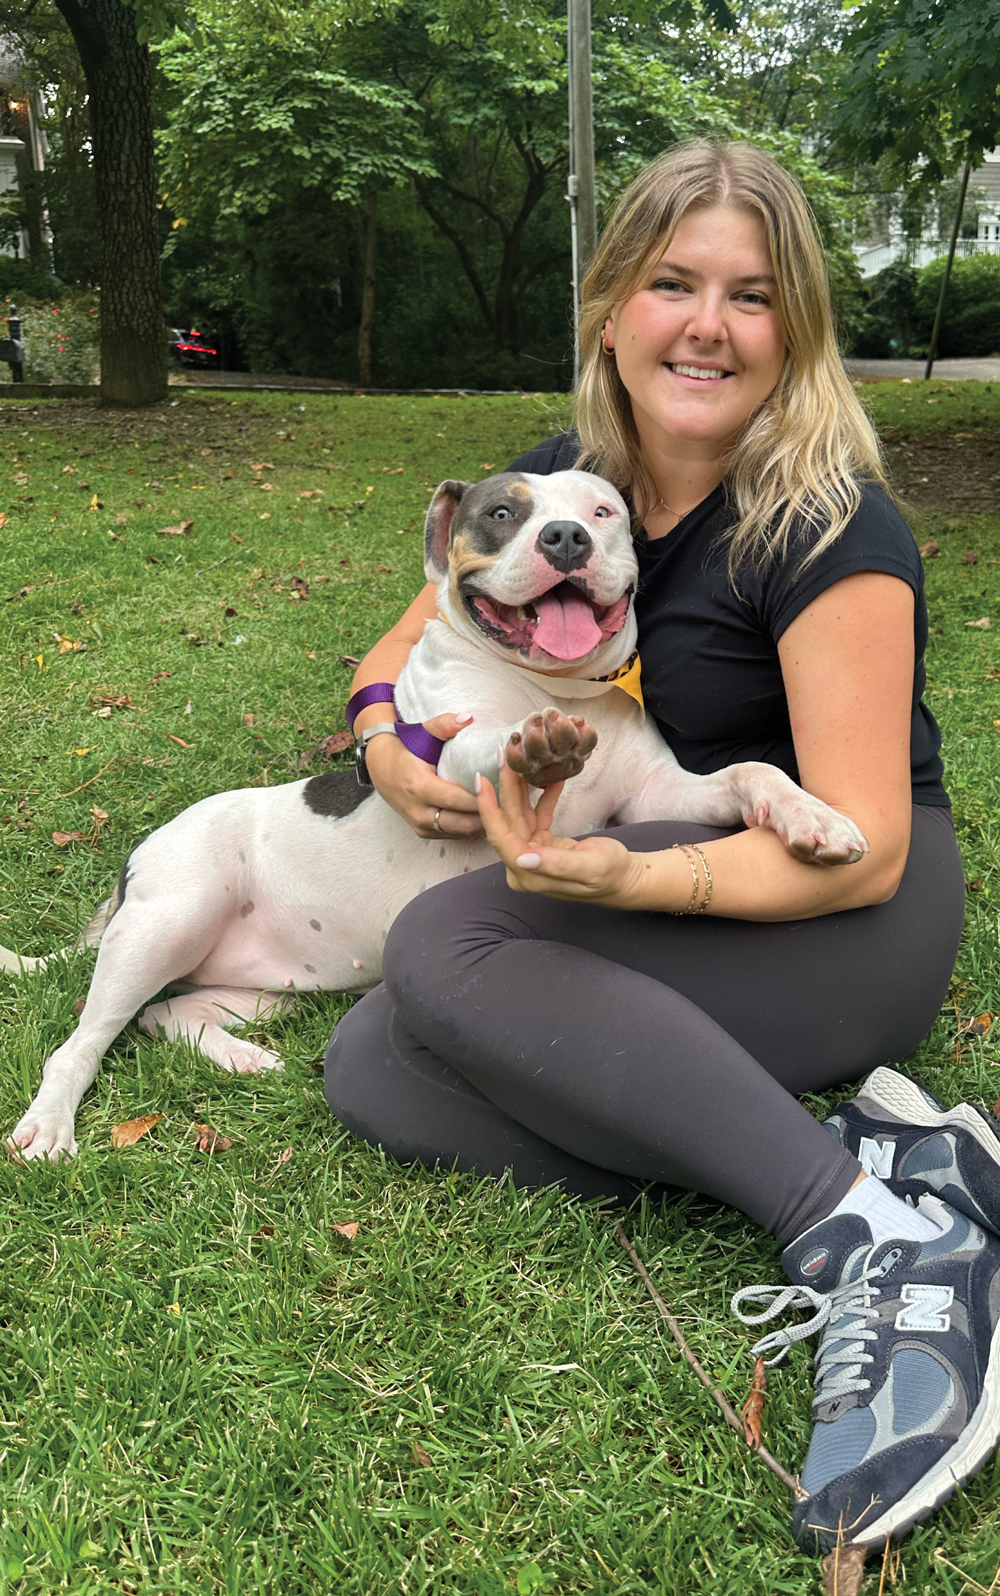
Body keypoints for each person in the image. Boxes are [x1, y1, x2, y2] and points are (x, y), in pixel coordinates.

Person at [324, 141, 1000, 1552]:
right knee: (370, 1062)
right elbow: (404, 640)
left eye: (752, 296)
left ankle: (881, 1239)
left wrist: (640, 877)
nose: (708, 324)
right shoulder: (568, 482)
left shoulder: (831, 527)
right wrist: (387, 740)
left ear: (795, 328)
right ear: (611, 310)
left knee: (445, 946)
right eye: (673, 282)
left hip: (838, 912)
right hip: (686, 871)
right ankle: (866, 1149)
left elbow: (865, 849)